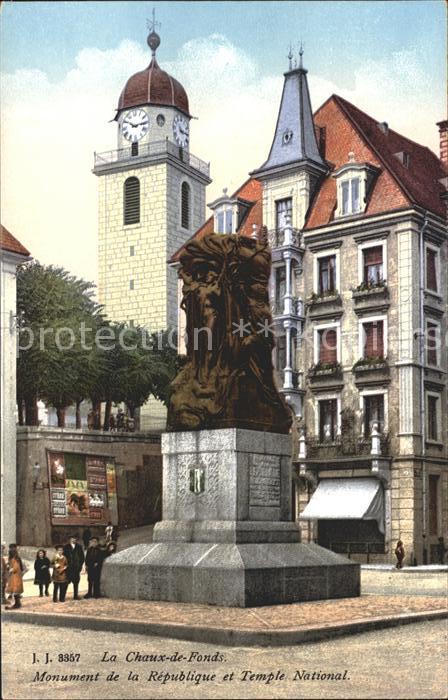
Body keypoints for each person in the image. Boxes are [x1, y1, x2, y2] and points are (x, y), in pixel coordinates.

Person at [63, 535, 85, 600]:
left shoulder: (79, 547)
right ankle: (63, 596)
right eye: (72, 539)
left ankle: (75, 596)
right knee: (66, 582)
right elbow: (63, 557)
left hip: (76, 568)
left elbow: (82, 557)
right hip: (68, 568)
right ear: (70, 539)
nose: (73, 540)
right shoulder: (66, 547)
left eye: (75, 539)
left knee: (76, 582)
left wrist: (80, 565)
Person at [5, 544, 24, 609]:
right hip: (13, 576)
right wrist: (8, 566)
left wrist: (11, 569)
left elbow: (16, 566)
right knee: (14, 589)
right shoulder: (12, 558)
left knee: (16, 589)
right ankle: (17, 603)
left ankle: (17, 604)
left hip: (16, 576)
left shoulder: (16, 558)